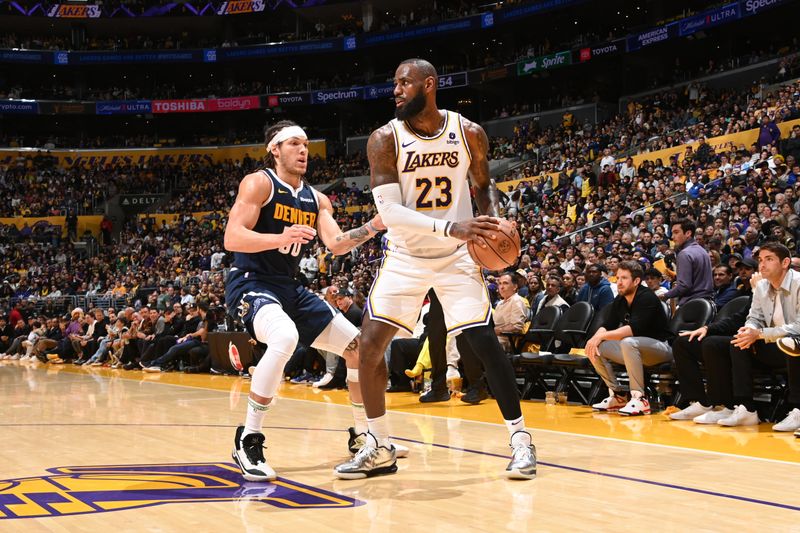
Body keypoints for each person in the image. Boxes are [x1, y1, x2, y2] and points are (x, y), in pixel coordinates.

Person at [334, 58, 536, 480]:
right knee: (369, 347)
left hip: (457, 257)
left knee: (483, 342)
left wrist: (495, 221)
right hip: (406, 256)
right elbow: (388, 210)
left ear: (429, 83)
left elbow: (482, 188)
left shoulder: (469, 133)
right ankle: (379, 445)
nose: (396, 90)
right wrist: (452, 226)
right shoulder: (384, 139)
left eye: (404, 82)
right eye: (395, 84)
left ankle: (521, 441)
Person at [224, 119, 391, 482]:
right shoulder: (259, 183)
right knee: (284, 338)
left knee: (359, 349)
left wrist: (375, 225)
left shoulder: (317, 198)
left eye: (306, 145)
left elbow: (336, 244)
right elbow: (232, 238)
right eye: (294, 144)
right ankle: (248, 438)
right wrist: (277, 236)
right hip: (251, 282)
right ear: (275, 149)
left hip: (289, 287)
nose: (303, 151)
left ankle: (363, 435)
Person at [721, 243, 800, 431]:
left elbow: (798, 326)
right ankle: (746, 409)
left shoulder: (798, 283)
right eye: (760, 260)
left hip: (795, 342)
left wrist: (761, 334)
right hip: (775, 343)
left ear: (785, 262)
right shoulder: (762, 286)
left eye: (769, 259)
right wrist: (749, 330)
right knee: (739, 343)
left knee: (791, 342)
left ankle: (797, 409)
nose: (762, 265)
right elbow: (754, 317)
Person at [585, 261, 673, 416]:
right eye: (618, 277)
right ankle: (618, 395)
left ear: (636, 281)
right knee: (596, 347)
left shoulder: (647, 298)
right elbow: (608, 324)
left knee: (627, 341)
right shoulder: (620, 299)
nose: (619, 282)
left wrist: (600, 336)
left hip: (660, 348)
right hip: (633, 350)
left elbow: (632, 330)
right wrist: (594, 339)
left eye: (624, 278)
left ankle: (640, 398)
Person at [659, 219, 713, 306]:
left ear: (688, 233)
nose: (672, 237)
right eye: (672, 233)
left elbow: (684, 286)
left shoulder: (684, 254)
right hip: (707, 303)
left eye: (676, 232)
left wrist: (665, 295)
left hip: (692, 305)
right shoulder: (702, 250)